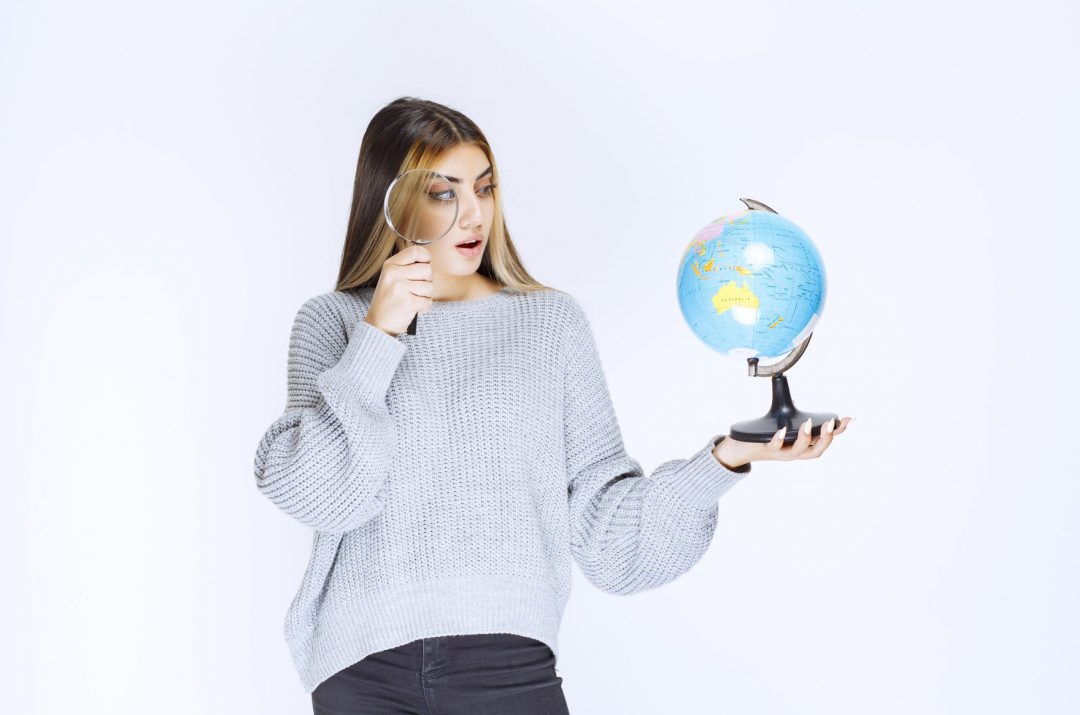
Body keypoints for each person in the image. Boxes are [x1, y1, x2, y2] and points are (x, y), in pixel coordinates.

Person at [254, 96, 852, 714]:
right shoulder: (333, 323)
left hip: (509, 671)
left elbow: (608, 537)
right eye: (442, 192)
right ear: (392, 199)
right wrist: (378, 337)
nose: (472, 214)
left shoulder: (548, 325)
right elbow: (318, 495)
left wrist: (721, 462)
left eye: (483, 188)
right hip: (363, 673)